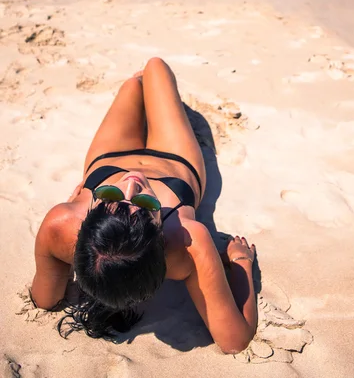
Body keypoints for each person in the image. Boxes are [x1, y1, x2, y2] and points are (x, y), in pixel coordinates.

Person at [31, 57, 257, 353]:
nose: (131, 181)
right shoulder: (188, 241)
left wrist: (77, 202)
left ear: (87, 224)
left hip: (107, 159)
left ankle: (138, 86)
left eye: (108, 197)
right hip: (173, 159)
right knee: (156, 68)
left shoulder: (60, 223)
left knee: (131, 85)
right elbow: (235, 340)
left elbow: (44, 298)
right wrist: (242, 263)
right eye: (146, 203)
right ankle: (148, 87)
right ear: (160, 237)